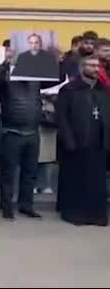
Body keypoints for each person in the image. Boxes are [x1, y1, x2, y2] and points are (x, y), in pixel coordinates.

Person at [55, 54, 110, 226]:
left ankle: (97, 215)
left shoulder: (103, 90)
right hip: (76, 142)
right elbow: (62, 117)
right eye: (91, 65)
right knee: (76, 180)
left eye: (97, 66)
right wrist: (68, 139)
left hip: (99, 143)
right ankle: (76, 214)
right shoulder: (69, 89)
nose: (96, 68)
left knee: (97, 181)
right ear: (82, 67)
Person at [0, 49, 43, 219]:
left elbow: (55, 78)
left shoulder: (36, 78)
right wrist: (7, 63)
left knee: (30, 172)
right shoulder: (5, 74)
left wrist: (52, 59)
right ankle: (6, 206)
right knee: (9, 171)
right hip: (12, 131)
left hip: (32, 131)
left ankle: (26, 205)